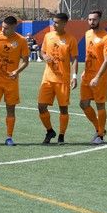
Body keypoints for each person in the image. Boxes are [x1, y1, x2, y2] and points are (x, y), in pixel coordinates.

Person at [0, 15, 30, 147]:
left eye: (7, 28)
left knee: (11, 108)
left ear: (14, 27)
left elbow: (26, 61)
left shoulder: (21, 40)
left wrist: (17, 71)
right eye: (2, 27)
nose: (3, 30)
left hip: (11, 80)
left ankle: (9, 137)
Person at [37, 13, 78, 144]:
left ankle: (61, 135)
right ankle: (50, 130)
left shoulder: (71, 39)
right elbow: (42, 51)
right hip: (48, 78)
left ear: (64, 24)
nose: (54, 25)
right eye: (53, 22)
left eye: (56, 22)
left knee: (63, 108)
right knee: (41, 106)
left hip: (62, 80)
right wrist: (44, 56)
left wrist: (74, 76)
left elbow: (75, 59)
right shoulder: (48, 36)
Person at [80, 10, 107, 145]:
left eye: (94, 19)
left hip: (99, 77)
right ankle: (99, 128)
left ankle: (100, 135)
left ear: (99, 20)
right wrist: (84, 71)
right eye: (89, 19)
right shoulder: (87, 34)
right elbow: (89, 56)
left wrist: (98, 77)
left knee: (100, 104)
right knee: (83, 104)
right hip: (87, 75)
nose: (91, 22)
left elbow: (106, 60)